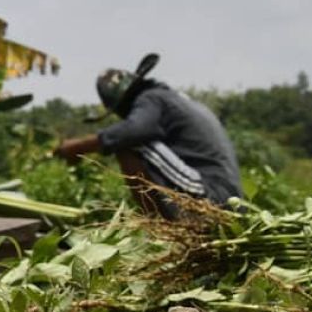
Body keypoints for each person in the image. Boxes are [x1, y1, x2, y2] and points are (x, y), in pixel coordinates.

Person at [55, 54, 242, 218]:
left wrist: (76, 147)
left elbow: (131, 131)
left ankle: (157, 225)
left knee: (127, 144)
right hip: (229, 197)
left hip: (212, 192)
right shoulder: (171, 98)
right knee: (129, 138)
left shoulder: (151, 99)